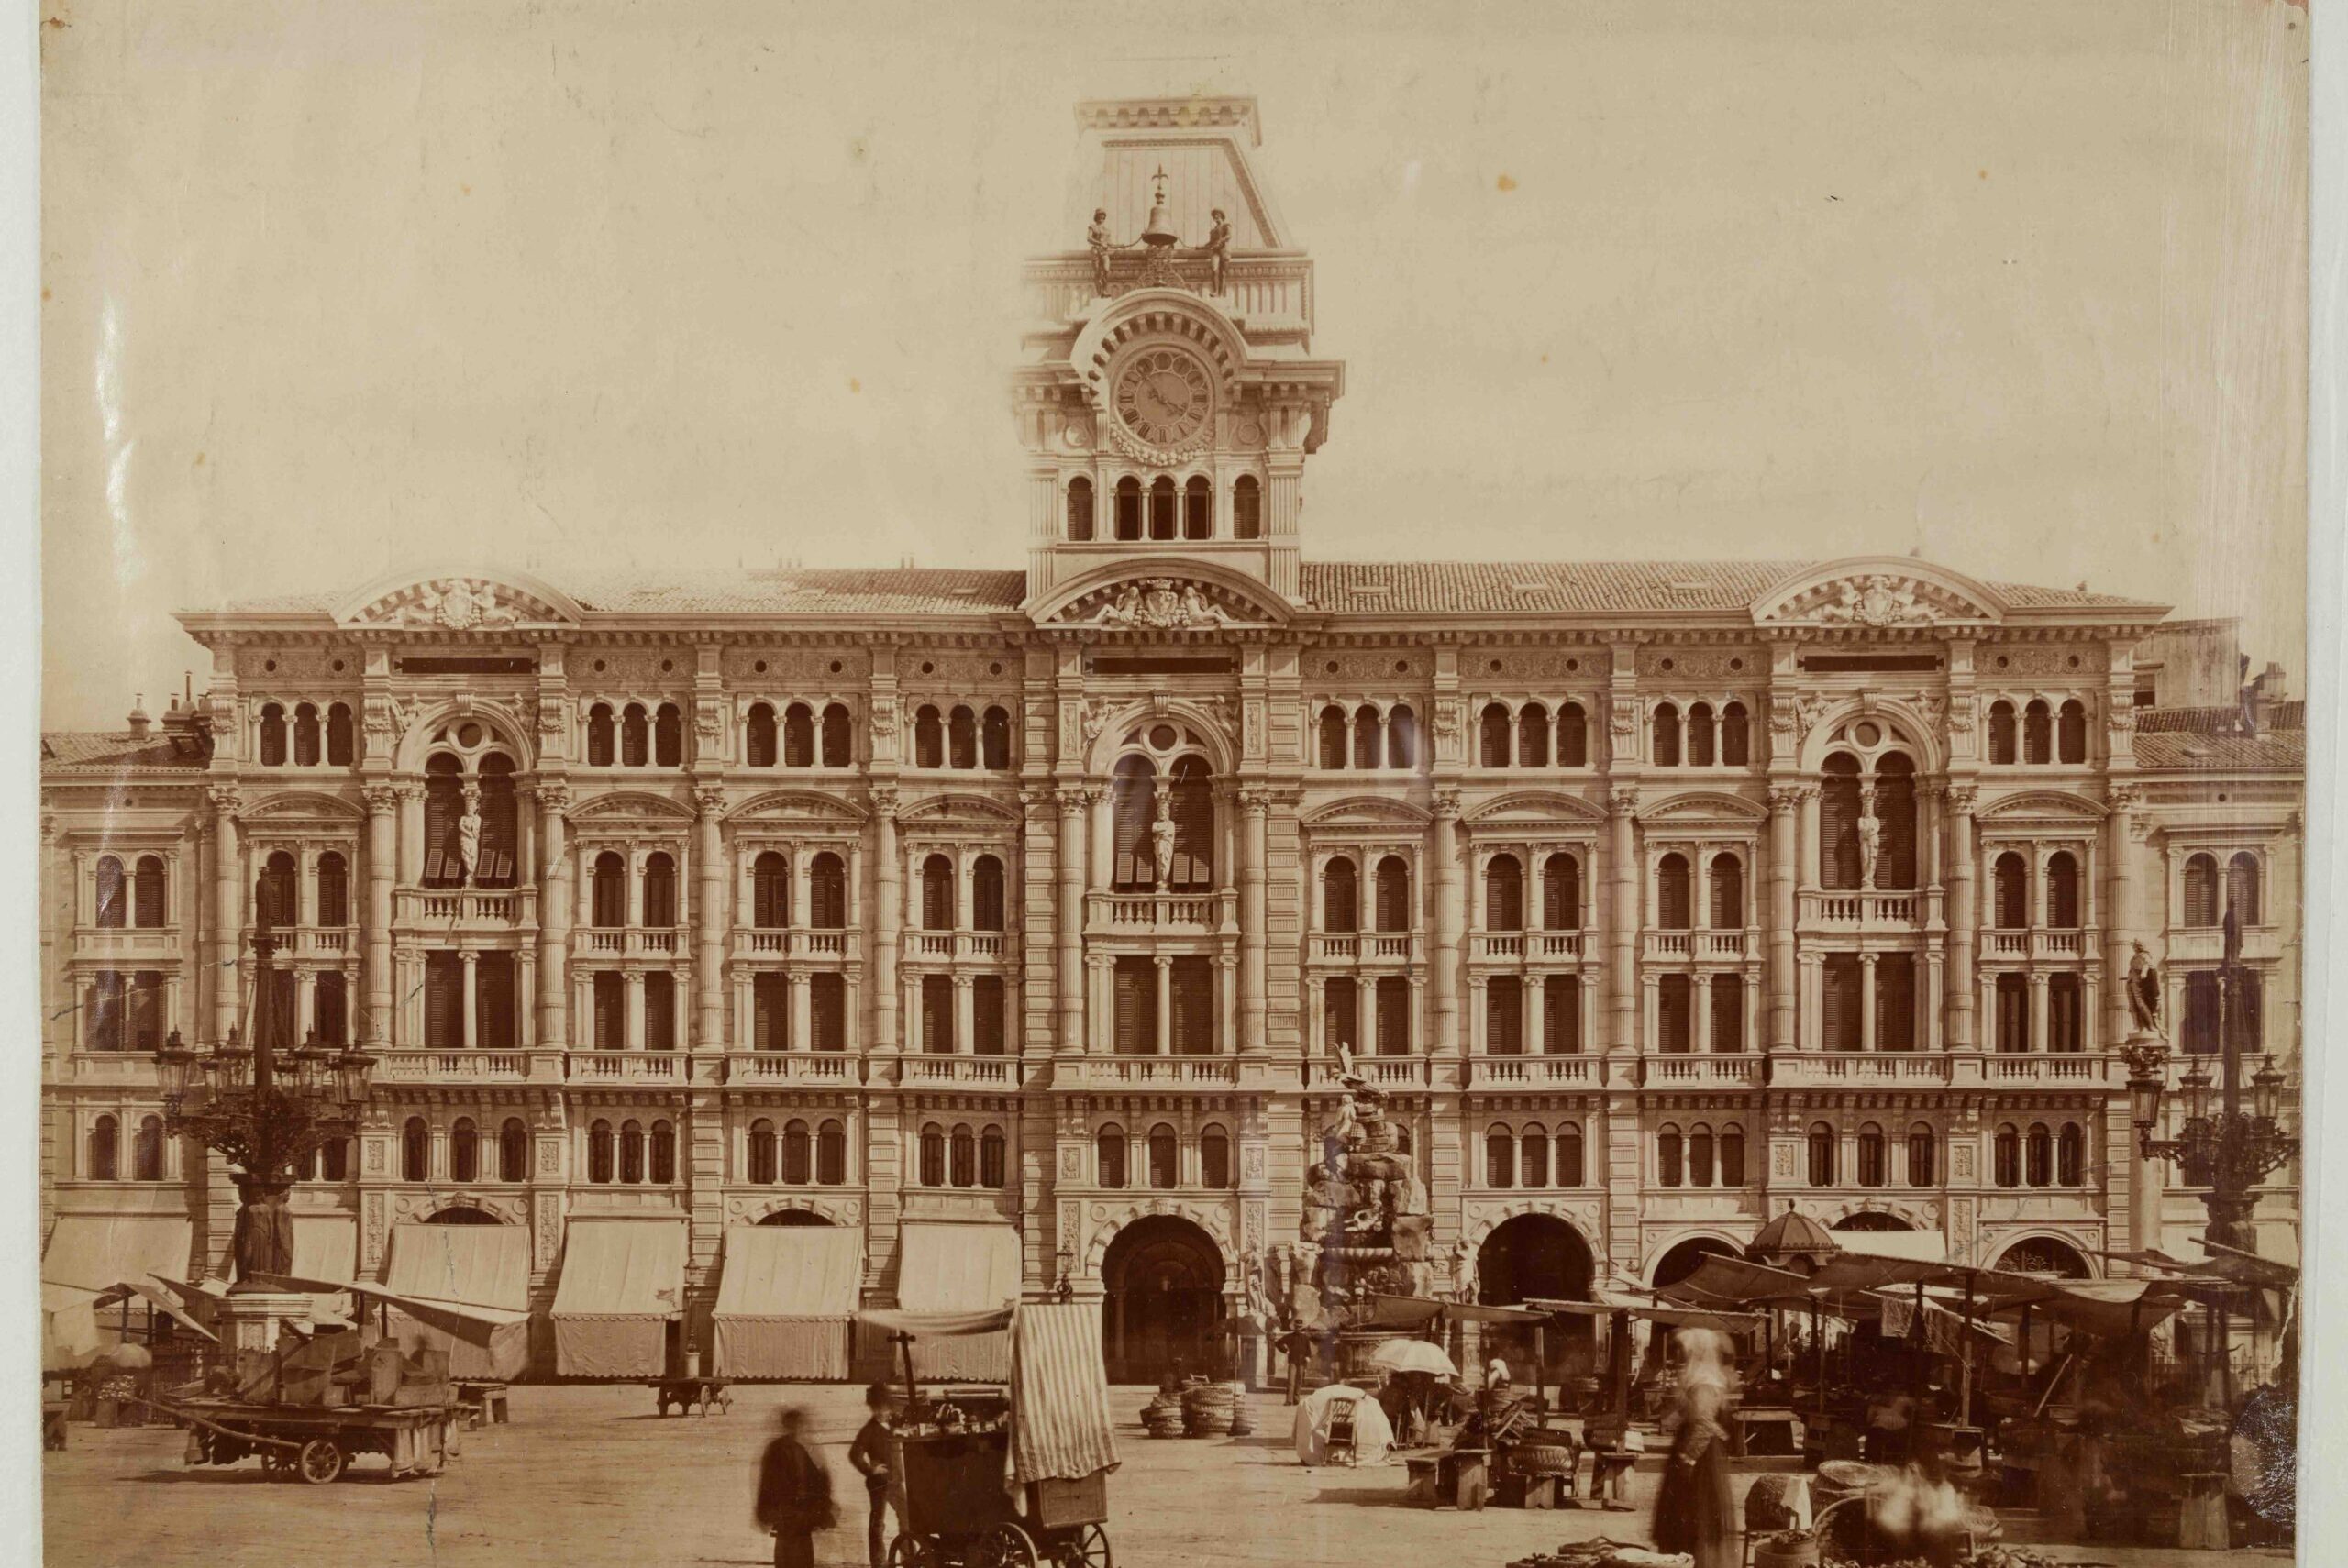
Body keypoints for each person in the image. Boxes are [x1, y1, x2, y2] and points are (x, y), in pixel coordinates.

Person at [1652, 1330, 1735, 1568]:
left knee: (1694, 1515)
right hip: (1700, 1450)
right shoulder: (1702, 1379)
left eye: (1684, 1352)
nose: (1680, 1357)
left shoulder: (1704, 1382)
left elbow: (1704, 1424)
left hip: (1701, 1457)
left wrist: (1688, 1459)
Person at [754, 1406, 835, 1568]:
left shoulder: (800, 1449)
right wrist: (765, 1511)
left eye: (800, 1426)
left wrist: (823, 1505)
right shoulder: (776, 1450)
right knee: (788, 1559)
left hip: (801, 1518)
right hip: (787, 1516)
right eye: (794, 1426)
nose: (798, 1430)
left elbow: (815, 1480)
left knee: (803, 1559)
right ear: (787, 1426)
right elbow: (767, 1483)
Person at [847, 1383, 899, 1568]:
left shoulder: (896, 1424)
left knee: (906, 1518)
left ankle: (908, 1554)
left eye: (884, 1408)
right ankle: (878, 1562)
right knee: (878, 1523)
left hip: (898, 1480)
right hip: (879, 1482)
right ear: (872, 1408)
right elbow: (854, 1454)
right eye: (877, 1408)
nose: (881, 1412)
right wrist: (871, 1470)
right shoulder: (869, 1430)